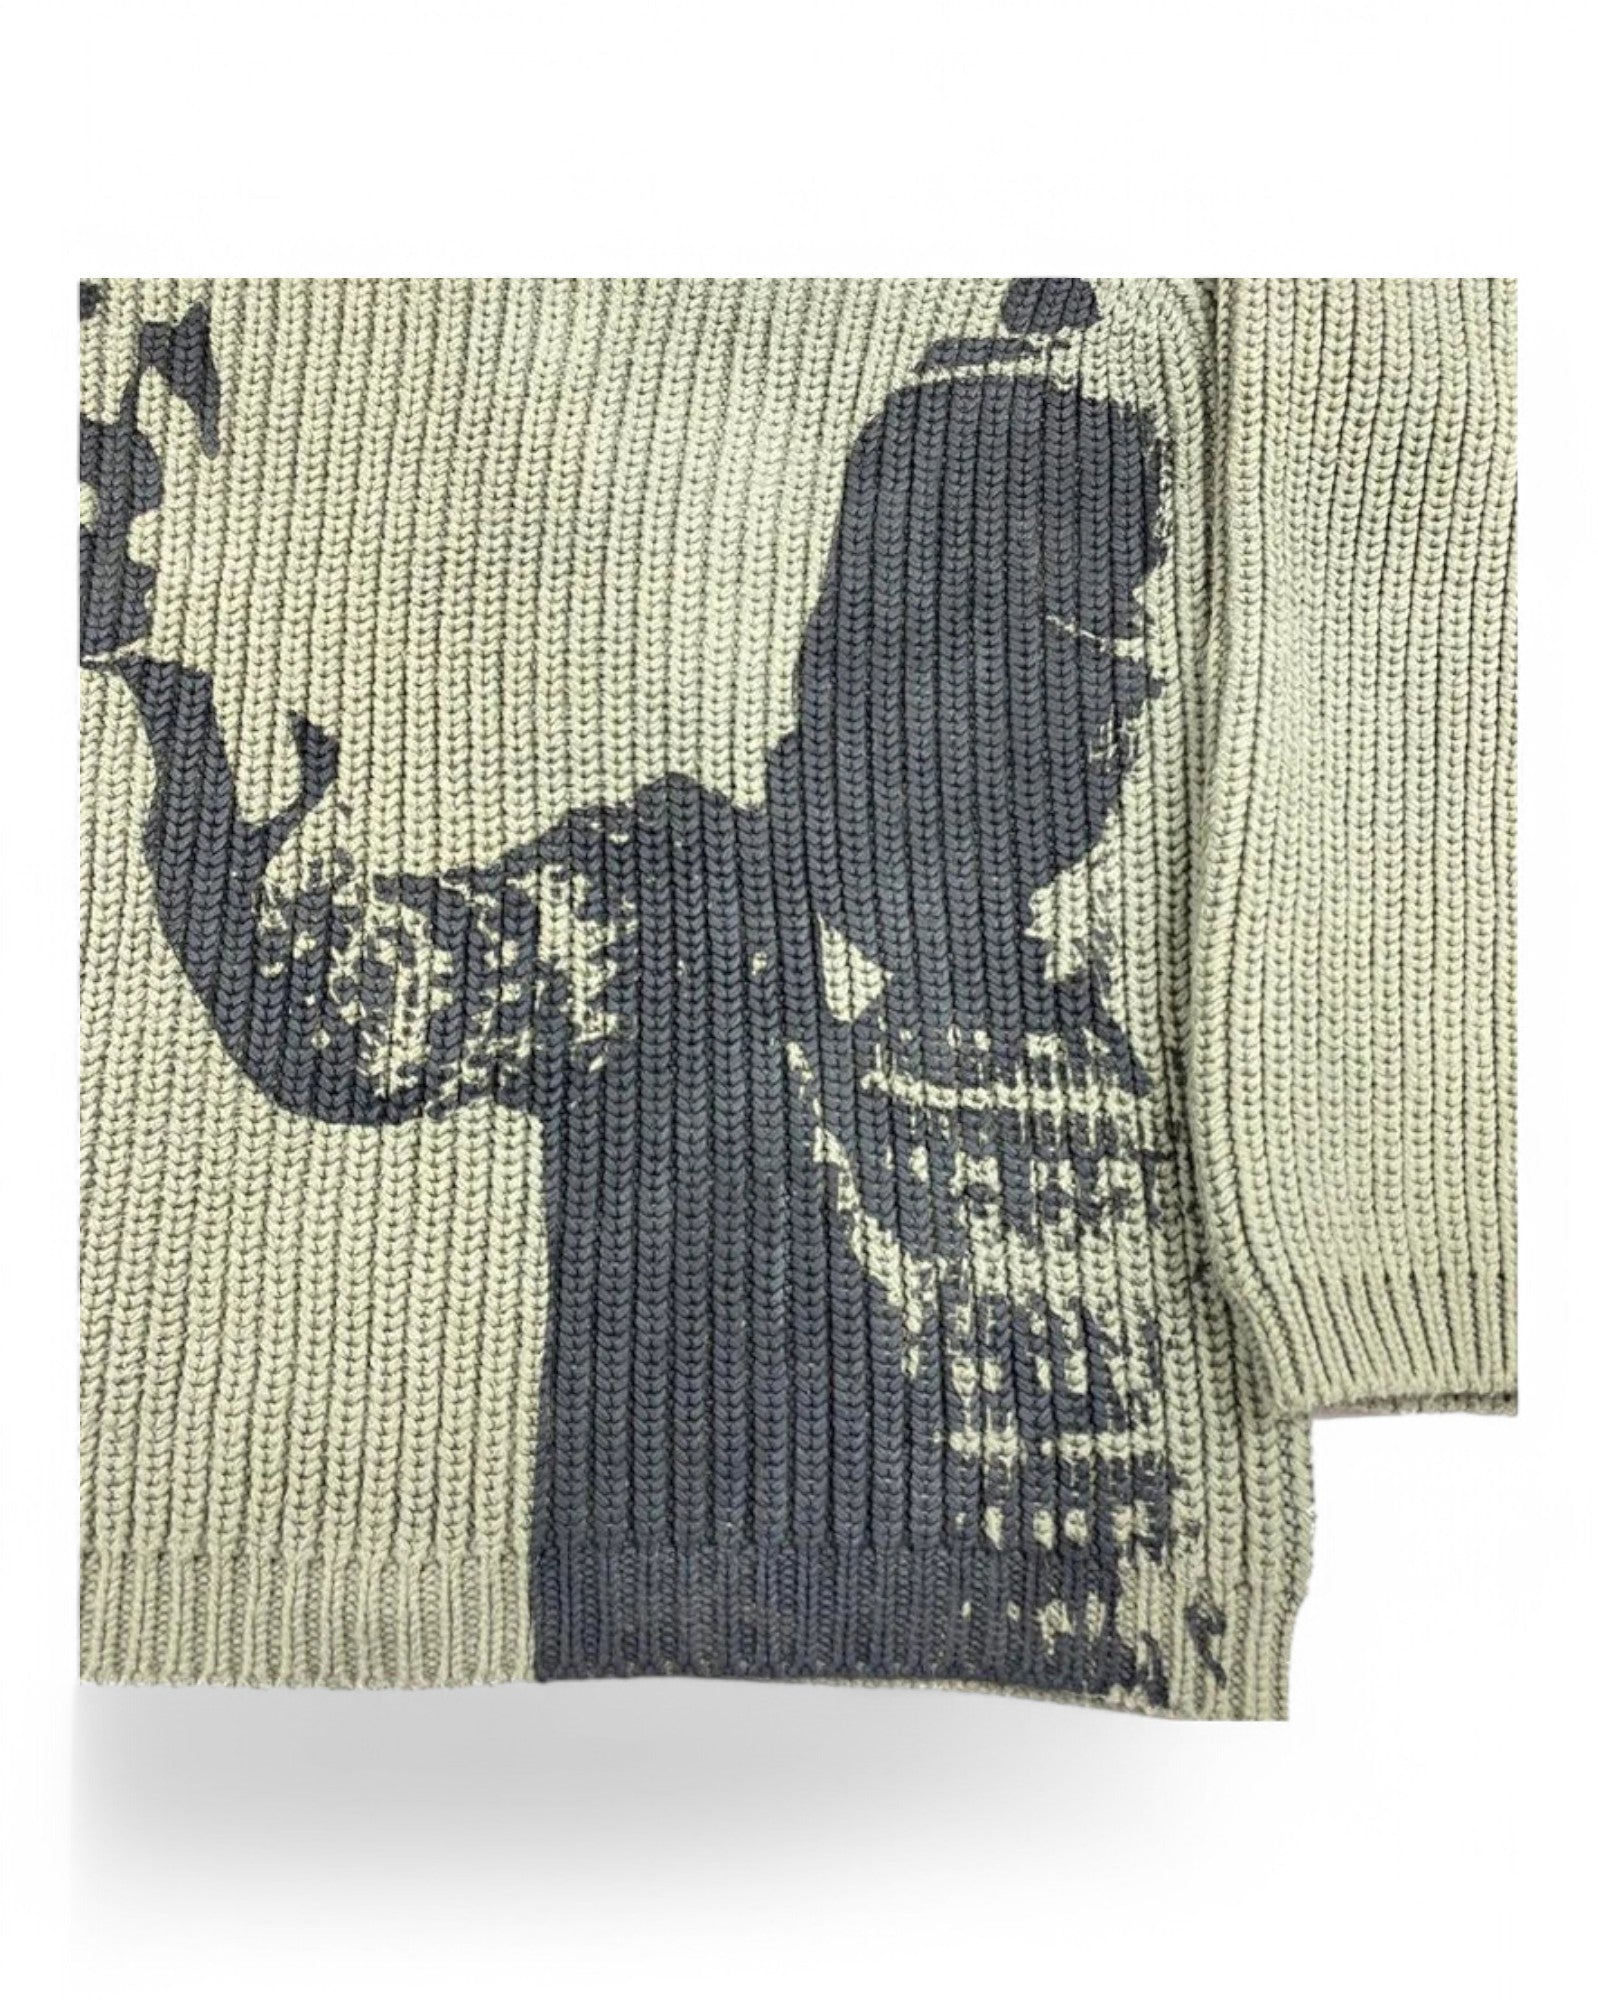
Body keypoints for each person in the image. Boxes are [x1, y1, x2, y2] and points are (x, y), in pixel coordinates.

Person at [81, 279, 1181, 1698]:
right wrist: (208, 657)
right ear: (874, 654)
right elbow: (347, 1013)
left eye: (1120, 640)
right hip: (705, 1762)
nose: (1121, 699)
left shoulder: (1138, 1010)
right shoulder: (676, 912)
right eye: (1051, 637)